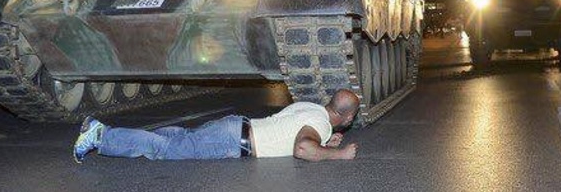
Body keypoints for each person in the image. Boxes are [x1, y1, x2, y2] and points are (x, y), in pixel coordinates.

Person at [73, 88, 360, 163]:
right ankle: (102, 136)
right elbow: (301, 148)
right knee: (165, 149)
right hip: (231, 141)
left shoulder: (313, 110)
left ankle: (101, 130)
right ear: (347, 117)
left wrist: (325, 141)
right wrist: (339, 153)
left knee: (175, 138)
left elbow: (294, 131)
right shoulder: (319, 124)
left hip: (235, 126)